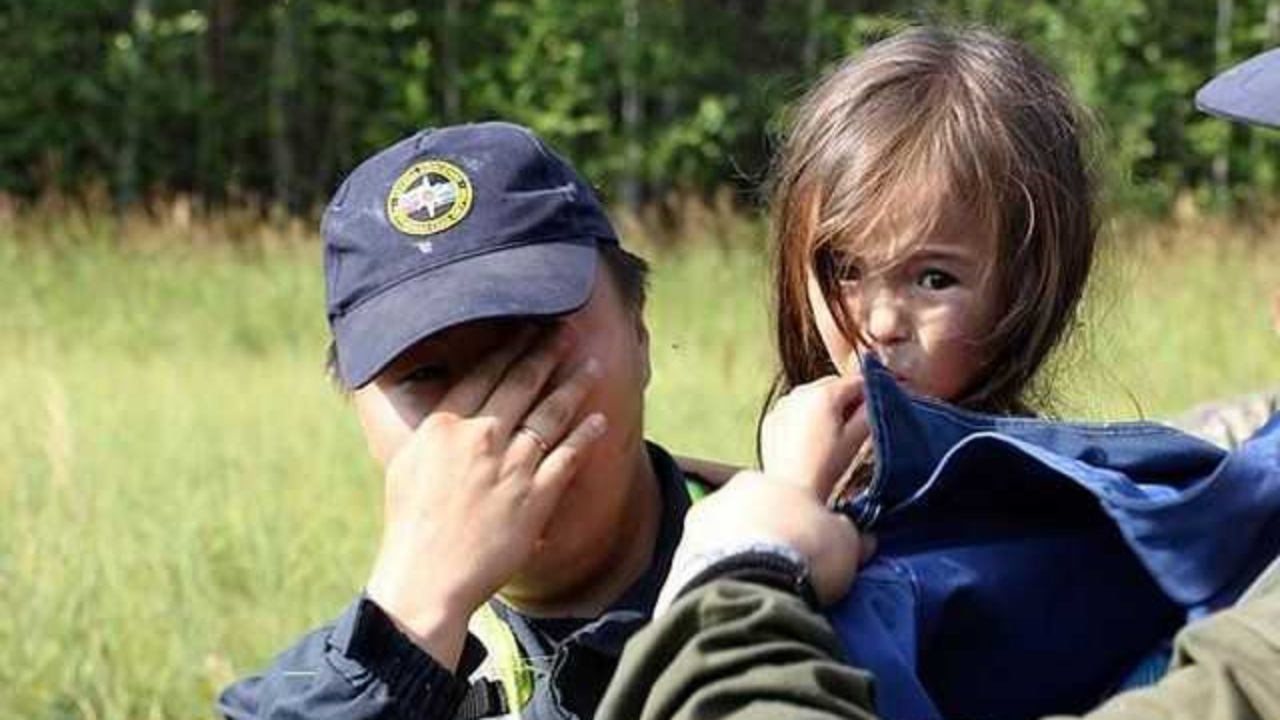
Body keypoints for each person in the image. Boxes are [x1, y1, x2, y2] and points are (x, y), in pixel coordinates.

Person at [597, 42, 1280, 720]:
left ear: (1028, 288)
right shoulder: (712, 495)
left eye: (935, 279)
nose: (881, 321)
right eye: (845, 269)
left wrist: (753, 548)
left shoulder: (1066, 538)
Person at [218, 122, 712, 720]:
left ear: (639, 333)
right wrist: (408, 636)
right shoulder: (326, 687)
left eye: (533, 345)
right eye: (425, 376)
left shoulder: (793, 575)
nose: (490, 425)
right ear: (358, 410)